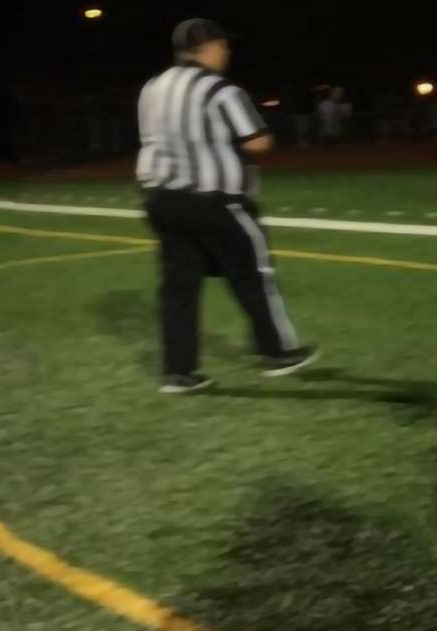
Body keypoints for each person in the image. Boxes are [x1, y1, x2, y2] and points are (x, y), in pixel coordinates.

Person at [135, 18, 316, 393]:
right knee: (254, 273)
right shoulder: (219, 90)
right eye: (224, 46)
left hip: (161, 199)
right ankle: (279, 352)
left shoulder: (152, 88)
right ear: (210, 47)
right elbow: (256, 142)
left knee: (179, 288)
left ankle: (179, 372)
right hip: (213, 199)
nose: (227, 53)